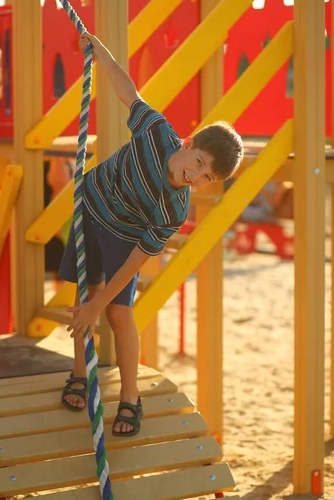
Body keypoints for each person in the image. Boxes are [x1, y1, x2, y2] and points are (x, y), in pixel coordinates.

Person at [59, 32, 244, 437]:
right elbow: (127, 89)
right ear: (189, 142)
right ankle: (78, 372)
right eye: (197, 163)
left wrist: (101, 304)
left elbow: (136, 264)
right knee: (83, 299)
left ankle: (129, 396)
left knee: (116, 311)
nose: (194, 176)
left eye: (206, 176)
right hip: (92, 207)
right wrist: (99, 49)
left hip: (126, 235)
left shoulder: (172, 210)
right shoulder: (157, 133)